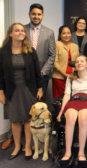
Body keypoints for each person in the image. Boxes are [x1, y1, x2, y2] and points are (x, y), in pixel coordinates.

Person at [0, 23, 43, 160]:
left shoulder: (30, 51)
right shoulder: (3, 52)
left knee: (28, 119)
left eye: (22, 30)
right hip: (11, 91)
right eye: (16, 30)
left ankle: (28, 146)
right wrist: (0, 92)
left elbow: (38, 72)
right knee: (15, 120)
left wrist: (40, 88)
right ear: (10, 34)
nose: (20, 32)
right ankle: (18, 146)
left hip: (28, 90)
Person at [25, 3, 55, 99]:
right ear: (29, 14)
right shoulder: (22, 30)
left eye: (39, 14)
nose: (36, 16)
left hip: (42, 75)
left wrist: (42, 72)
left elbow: (52, 55)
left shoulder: (49, 32)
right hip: (25, 74)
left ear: (42, 15)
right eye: (34, 14)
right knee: (26, 102)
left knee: (39, 103)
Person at [52, 25, 79, 98]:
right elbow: (55, 62)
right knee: (60, 100)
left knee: (72, 99)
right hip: (59, 77)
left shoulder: (75, 46)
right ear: (60, 35)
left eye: (68, 33)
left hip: (73, 77)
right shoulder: (56, 44)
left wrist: (74, 74)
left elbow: (77, 62)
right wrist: (65, 74)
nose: (66, 35)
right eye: (64, 33)